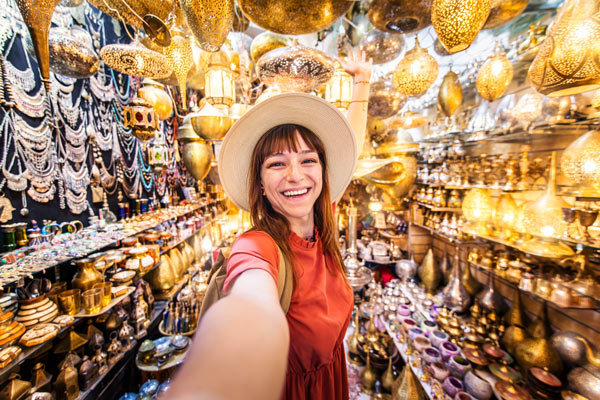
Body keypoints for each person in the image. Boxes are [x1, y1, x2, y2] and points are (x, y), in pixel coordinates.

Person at [168, 50, 372, 400]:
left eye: (308, 160)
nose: (296, 176)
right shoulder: (258, 245)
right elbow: (251, 300)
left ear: (323, 171)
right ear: (260, 182)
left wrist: (362, 81)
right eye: (277, 164)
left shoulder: (321, 220)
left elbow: (349, 145)